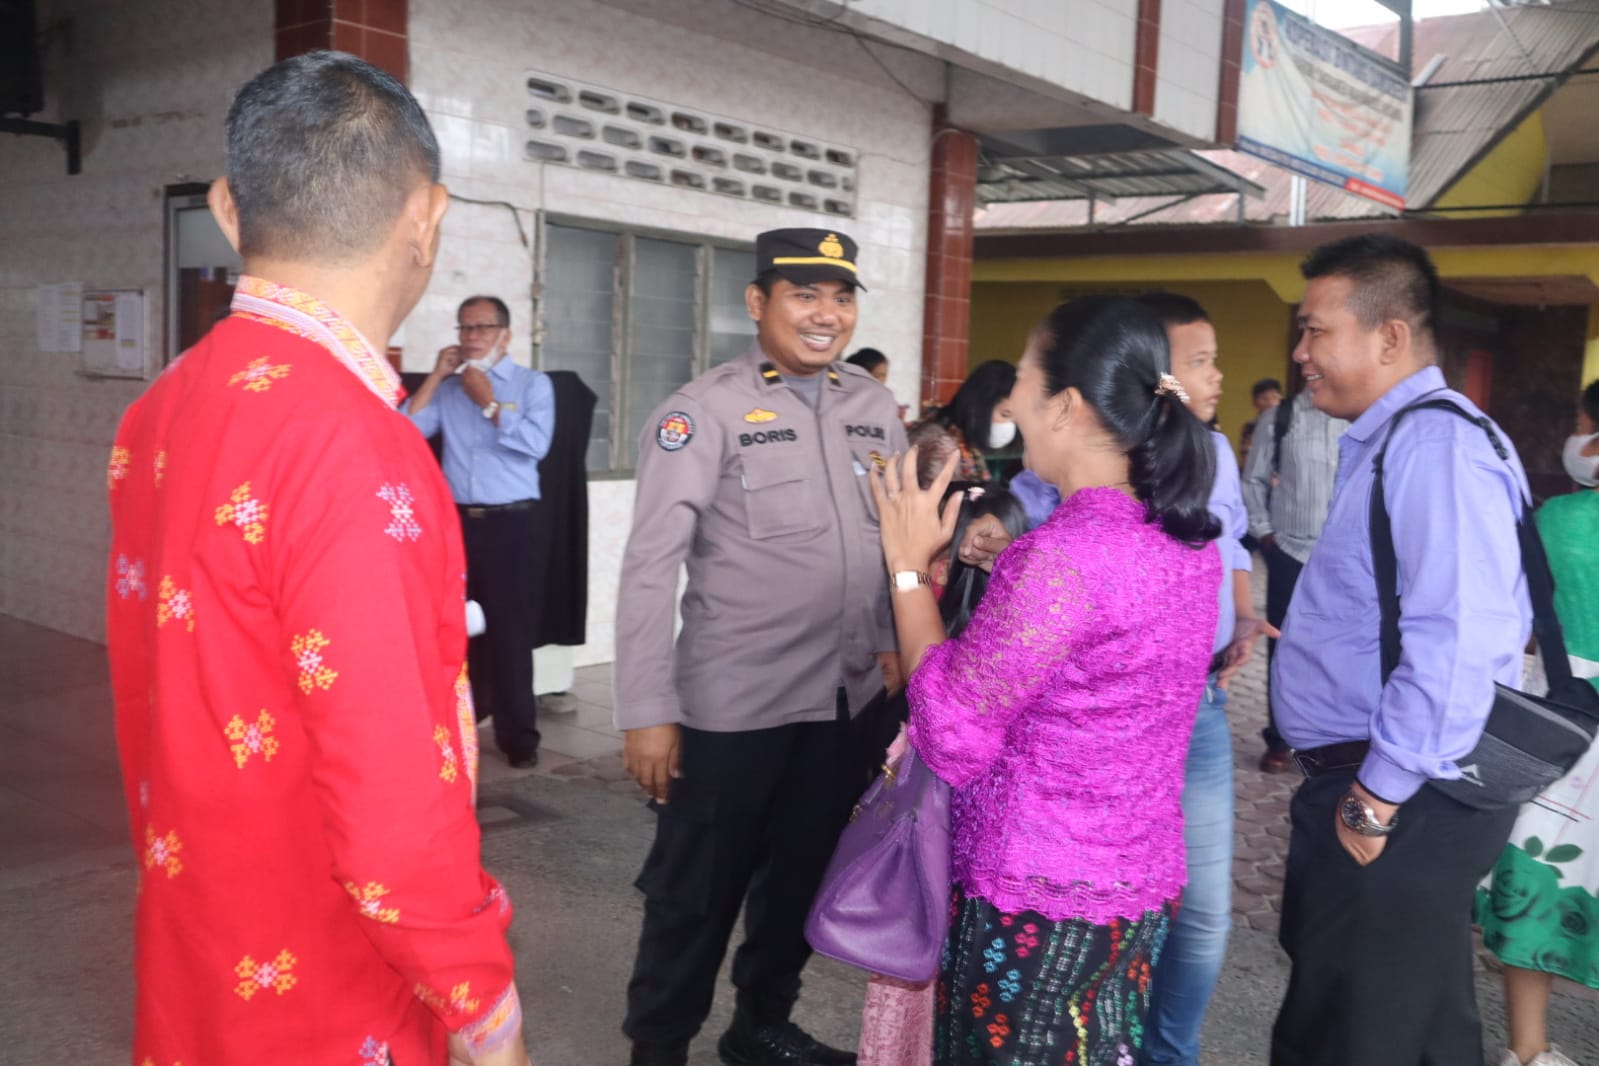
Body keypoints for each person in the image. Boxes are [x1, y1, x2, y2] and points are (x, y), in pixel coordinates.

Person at [104, 51, 529, 1066]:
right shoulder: (354, 442)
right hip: (327, 984)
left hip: (201, 937)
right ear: (426, 213)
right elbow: (388, 801)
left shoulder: (160, 406)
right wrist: (482, 1006)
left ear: (226, 208)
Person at [873, 295, 1222, 1065]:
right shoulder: (1185, 542)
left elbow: (952, 735)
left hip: (1034, 896)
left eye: (1022, 382)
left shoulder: (1061, 557)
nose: (1010, 404)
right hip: (1134, 887)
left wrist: (905, 568)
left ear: (1063, 406)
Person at [614, 228, 906, 1066]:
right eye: (804, 295)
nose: (827, 315)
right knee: (692, 895)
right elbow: (648, 567)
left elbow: (892, 536)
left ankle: (760, 1026)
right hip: (730, 708)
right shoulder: (699, 411)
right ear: (757, 304)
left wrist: (889, 641)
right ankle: (658, 1046)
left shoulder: (872, 407)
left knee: (801, 879)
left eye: (841, 297)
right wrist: (645, 710)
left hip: (841, 701)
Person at [1269, 234, 1532, 1066]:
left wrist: (1375, 798)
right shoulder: (1404, 441)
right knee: (1405, 1026)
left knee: (1355, 1035)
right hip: (1386, 790)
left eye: (1315, 331)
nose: (1299, 352)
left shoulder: (1431, 445)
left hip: (1393, 796)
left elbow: (1455, 642)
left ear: (1388, 337)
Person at [1136, 293, 1274, 1066]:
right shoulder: (1101, 454)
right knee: (1119, 899)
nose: (1217, 376)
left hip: (1198, 703)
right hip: (1118, 713)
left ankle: (1169, 1052)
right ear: (1151, 375)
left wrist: (1242, 618)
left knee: (1204, 911)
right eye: (1199, 361)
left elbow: (1228, 540)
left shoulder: (1214, 450)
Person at [855, 483, 1031, 1066]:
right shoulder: (931, 642)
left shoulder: (1005, 640)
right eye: (922, 561)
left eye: (940, 558)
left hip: (981, 858)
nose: (929, 575)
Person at [1478, 378, 1599, 1066]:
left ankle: (1528, 1050)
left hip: (1563, 720)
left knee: (1541, 877)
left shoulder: (1551, 522)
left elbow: (1514, 622)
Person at [405, 295, 555, 769]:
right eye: (465, 328)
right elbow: (405, 430)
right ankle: (453, 725)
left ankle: (519, 740)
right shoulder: (448, 390)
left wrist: (489, 403)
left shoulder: (534, 385)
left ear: (505, 335)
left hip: (512, 524)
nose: (472, 337)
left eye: (483, 329)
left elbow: (536, 446)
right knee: (451, 628)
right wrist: (434, 376)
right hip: (457, 524)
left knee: (510, 633)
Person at [1242, 382, 1348, 773]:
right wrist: (1265, 533)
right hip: (1289, 550)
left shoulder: (1361, 417)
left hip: (1344, 557)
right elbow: (1252, 481)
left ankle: (1328, 739)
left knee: (1339, 650)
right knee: (1284, 646)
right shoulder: (1281, 417)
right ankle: (1280, 738)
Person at [906, 359, 1017, 483]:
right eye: (1005, 414)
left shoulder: (963, 440)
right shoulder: (942, 445)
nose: (1010, 425)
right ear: (979, 406)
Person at [1238, 376, 1284, 475]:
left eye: (1274, 397)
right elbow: (1247, 460)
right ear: (1255, 403)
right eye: (1265, 398)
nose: (1271, 403)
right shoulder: (1251, 428)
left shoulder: (1289, 427)